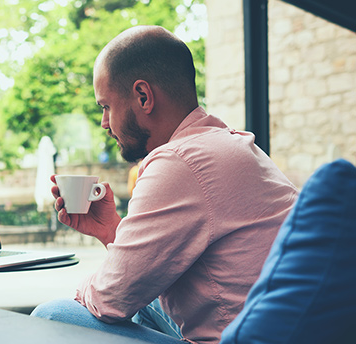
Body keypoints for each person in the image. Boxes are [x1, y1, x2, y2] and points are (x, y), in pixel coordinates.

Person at [31, 25, 299, 344]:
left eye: (105, 106)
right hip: (285, 327)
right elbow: (144, 274)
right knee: (148, 299)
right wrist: (111, 231)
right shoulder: (229, 145)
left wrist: (87, 291)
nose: (104, 123)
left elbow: (110, 298)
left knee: (52, 317)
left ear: (143, 96)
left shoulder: (180, 161)